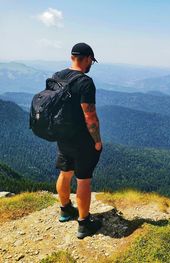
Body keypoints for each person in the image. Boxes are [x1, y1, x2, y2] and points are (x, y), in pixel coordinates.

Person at [54, 42, 103, 239]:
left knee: (65, 173)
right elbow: (90, 117)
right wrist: (97, 141)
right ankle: (84, 224)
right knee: (84, 179)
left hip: (62, 135)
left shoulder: (57, 76)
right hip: (81, 139)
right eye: (92, 61)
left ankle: (65, 210)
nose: (91, 64)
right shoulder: (85, 82)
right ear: (88, 58)